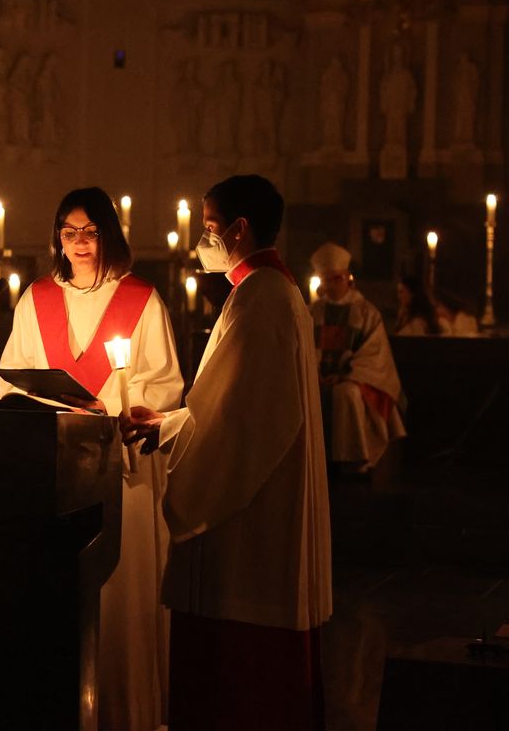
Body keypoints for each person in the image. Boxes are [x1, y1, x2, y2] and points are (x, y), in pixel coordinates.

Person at [123, 175, 331, 731]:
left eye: (210, 226)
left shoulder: (261, 297)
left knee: (237, 684)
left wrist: (179, 448)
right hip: (263, 496)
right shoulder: (268, 291)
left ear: (240, 229)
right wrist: (168, 423)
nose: (203, 238)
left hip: (249, 520)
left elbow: (243, 424)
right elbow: (235, 406)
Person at [0, 187, 182, 731]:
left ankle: (125, 710)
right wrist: (49, 406)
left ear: (109, 234)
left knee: (121, 597)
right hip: (55, 466)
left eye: (90, 232)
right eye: (68, 231)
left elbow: (165, 385)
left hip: (122, 465)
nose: (78, 242)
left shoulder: (142, 300)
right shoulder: (36, 300)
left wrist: (116, 406)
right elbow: (14, 379)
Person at [309, 242, 406, 470]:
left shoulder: (367, 312)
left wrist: (345, 376)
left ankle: (351, 459)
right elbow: (302, 347)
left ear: (348, 277)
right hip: (316, 377)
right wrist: (313, 371)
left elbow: (374, 355)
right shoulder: (312, 311)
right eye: (327, 279)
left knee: (347, 394)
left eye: (338, 278)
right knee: (308, 392)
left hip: (352, 378)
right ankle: (312, 460)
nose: (333, 284)